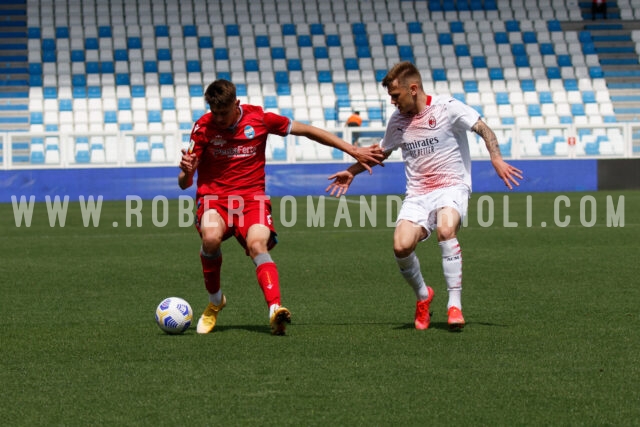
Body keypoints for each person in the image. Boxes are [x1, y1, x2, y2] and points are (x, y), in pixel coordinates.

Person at [326, 62, 523, 331]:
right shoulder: (397, 122)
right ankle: (423, 295)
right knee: (401, 246)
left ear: (413, 89)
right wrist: (352, 171)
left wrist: (496, 158)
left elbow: (482, 128)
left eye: (396, 95)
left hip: (452, 186)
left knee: (445, 228)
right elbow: (383, 152)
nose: (393, 101)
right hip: (418, 193)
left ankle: (455, 305)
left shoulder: (447, 107)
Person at [179, 79, 384, 336]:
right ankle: (215, 301)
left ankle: (275, 309)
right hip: (214, 199)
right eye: (214, 112)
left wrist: (353, 150)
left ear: (237, 104)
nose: (219, 118)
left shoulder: (260, 119)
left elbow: (307, 131)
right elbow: (185, 184)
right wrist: (187, 172)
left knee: (257, 245)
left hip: (252, 200)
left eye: (224, 112)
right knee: (210, 238)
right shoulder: (202, 128)